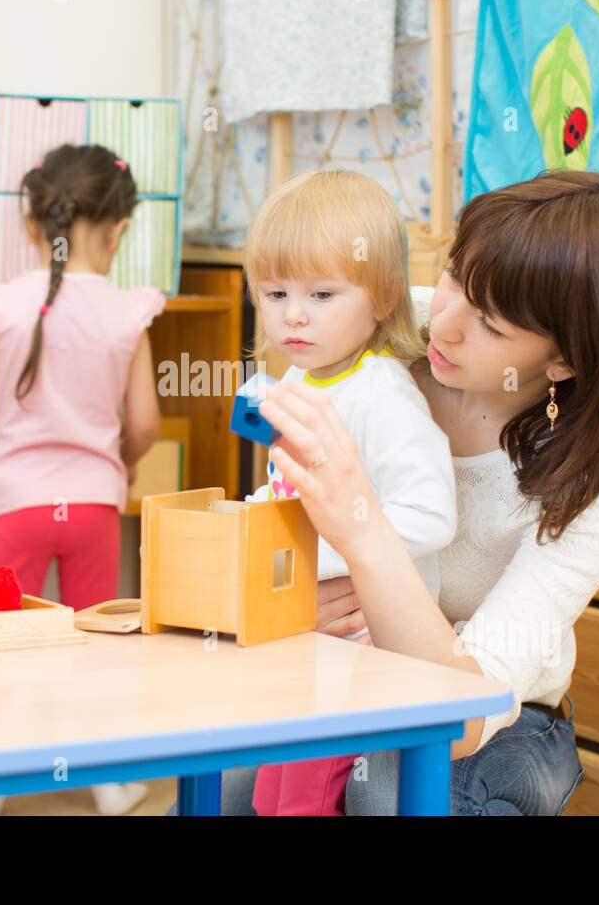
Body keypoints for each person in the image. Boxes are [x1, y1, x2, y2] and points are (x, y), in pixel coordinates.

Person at [217, 168, 599, 815]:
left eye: (490, 324)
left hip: (499, 717)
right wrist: (286, 609)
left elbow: (462, 721)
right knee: (233, 786)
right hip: (345, 664)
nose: (446, 325)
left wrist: (362, 531)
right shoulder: (384, 321)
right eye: (457, 275)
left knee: (385, 792)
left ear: (564, 359)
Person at [0, 143, 163, 816]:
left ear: (31, 227)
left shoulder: (4, 304)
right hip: (95, 509)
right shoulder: (128, 311)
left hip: (16, 505)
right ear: (118, 230)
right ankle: (106, 781)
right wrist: (121, 464)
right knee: (94, 643)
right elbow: (147, 422)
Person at [241, 169, 456, 815]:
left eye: (322, 294)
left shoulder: (382, 393)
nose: (293, 314)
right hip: (306, 637)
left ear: (384, 295)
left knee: (305, 800)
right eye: (275, 293)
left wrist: (329, 556)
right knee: (268, 796)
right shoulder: (298, 382)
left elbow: (432, 513)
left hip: (359, 647)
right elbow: (288, 494)